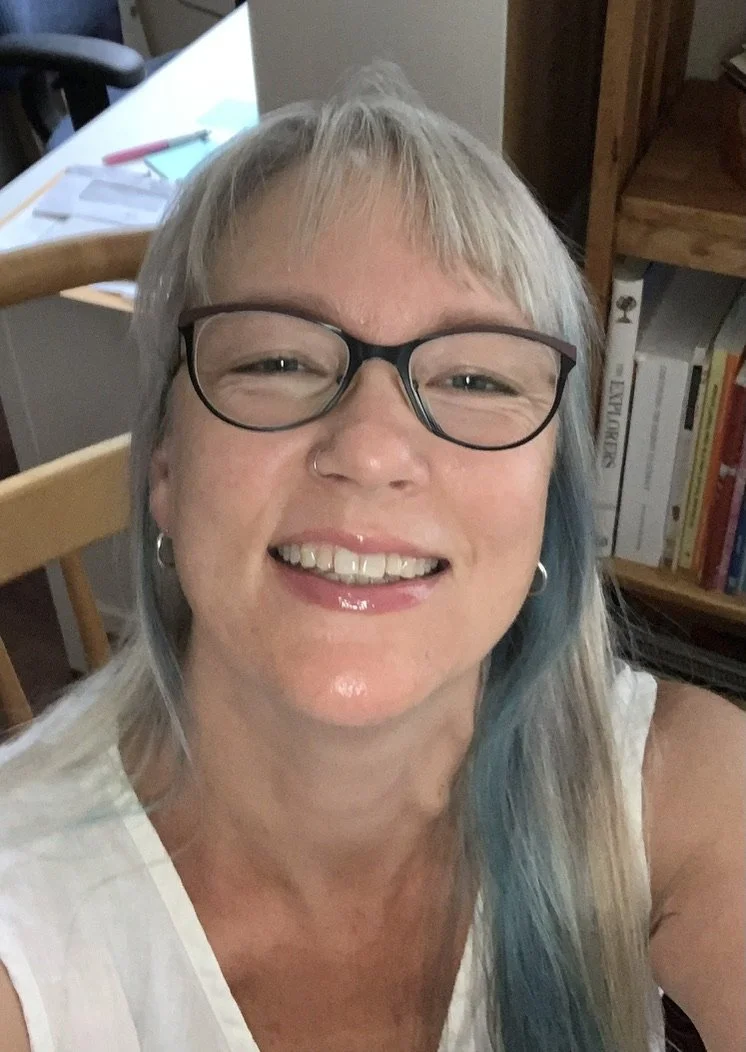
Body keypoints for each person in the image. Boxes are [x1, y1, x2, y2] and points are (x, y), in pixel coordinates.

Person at [0, 67, 743, 1052]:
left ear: (543, 503)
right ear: (166, 468)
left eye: (476, 377)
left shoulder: (688, 786)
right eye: (276, 361)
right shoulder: (22, 910)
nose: (370, 448)